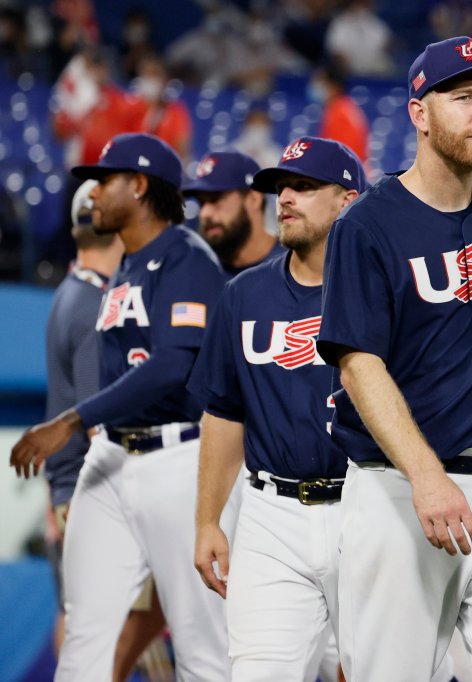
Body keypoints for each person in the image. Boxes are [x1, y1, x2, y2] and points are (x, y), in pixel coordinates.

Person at [315, 36, 472, 681]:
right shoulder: (367, 225)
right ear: (420, 115)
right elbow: (358, 364)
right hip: (406, 492)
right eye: (463, 99)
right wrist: (427, 476)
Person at [9, 133, 235, 681]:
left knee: (203, 641)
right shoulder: (126, 270)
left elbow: (173, 363)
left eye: (104, 182)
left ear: (138, 185)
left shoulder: (188, 259)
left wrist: (70, 420)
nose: (91, 196)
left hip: (176, 461)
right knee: (86, 631)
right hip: (109, 460)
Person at [189, 137, 365, 681]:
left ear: (347, 200)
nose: (285, 198)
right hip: (272, 516)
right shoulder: (244, 295)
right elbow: (223, 412)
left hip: (369, 506)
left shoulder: (387, 291)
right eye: (281, 187)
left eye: (305, 187)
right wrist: (207, 521)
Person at [44, 179, 124, 652]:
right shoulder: (94, 305)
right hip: (88, 489)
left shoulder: (67, 293)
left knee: (77, 616)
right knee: (96, 628)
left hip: (66, 483)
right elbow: (99, 421)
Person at [181, 151, 284, 277]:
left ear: (253, 199)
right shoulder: (194, 274)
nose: (204, 213)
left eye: (215, 199)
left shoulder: (295, 267)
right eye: (201, 203)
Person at [311, 63, 370, 163]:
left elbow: (341, 155)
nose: (317, 86)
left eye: (321, 82)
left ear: (333, 85)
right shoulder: (341, 108)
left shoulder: (340, 114)